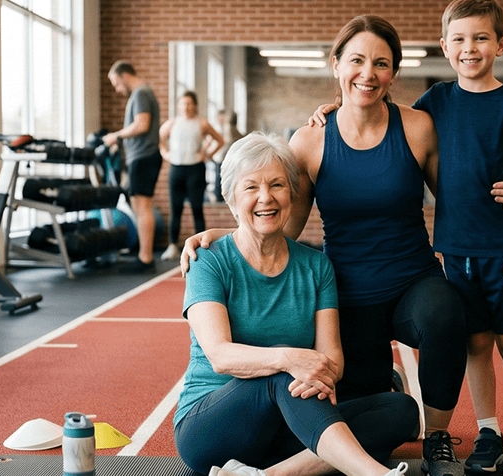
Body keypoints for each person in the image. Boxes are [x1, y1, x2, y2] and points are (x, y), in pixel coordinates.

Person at [190, 15, 503, 476]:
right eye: (357, 61)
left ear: (393, 73)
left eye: (381, 63)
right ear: (336, 66)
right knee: (359, 414)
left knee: (447, 313)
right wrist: (225, 238)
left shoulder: (417, 127)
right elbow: (284, 222)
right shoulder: (309, 140)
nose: (367, 74)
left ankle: (438, 440)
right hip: (344, 291)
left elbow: (458, 198)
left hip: (413, 278)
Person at [175, 133, 414, 476]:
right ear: (230, 199)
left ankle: (269, 474)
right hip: (211, 432)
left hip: (288, 425)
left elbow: (333, 362)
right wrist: (288, 358)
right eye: (251, 188)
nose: (265, 197)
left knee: (399, 409)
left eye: (277, 185)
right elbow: (220, 355)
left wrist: (312, 369)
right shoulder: (208, 261)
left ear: (293, 193)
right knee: (280, 374)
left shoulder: (316, 266)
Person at [415, 0, 503, 476]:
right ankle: (489, 431)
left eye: (480, 38)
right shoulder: (434, 102)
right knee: (475, 344)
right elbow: (388, 122)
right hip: (457, 250)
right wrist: (331, 106)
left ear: (501, 44)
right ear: (445, 47)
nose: (469, 48)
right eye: (459, 39)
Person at [104, 60, 162, 273]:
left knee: (143, 206)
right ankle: (143, 256)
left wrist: (115, 136)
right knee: (139, 206)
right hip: (143, 156)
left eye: (116, 83)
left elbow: (142, 124)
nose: (118, 90)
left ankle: (145, 259)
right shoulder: (143, 93)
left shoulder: (140, 94)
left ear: (124, 75)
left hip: (144, 156)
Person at [160, 91, 226, 261]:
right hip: (176, 169)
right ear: (179, 106)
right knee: (176, 209)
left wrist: (208, 155)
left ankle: (200, 247)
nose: (186, 107)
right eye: (183, 103)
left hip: (195, 170)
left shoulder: (201, 123)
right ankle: (173, 245)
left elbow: (220, 140)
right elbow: (159, 138)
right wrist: (165, 153)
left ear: (194, 105)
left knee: (197, 209)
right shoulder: (172, 123)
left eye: (189, 103)